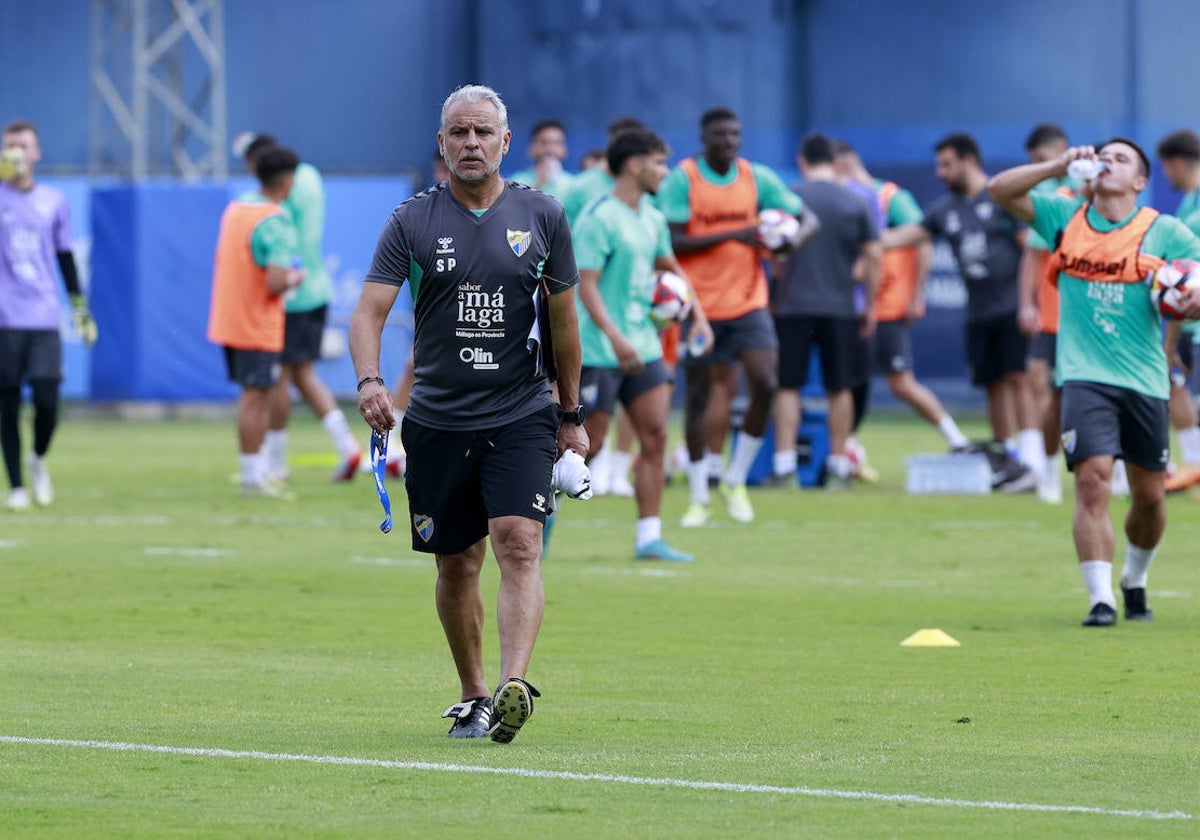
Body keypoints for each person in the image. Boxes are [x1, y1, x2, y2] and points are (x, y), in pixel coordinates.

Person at [349, 84, 587, 743]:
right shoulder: (412, 222)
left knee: (519, 538)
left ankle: (515, 683)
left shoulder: (543, 216)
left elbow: (566, 325)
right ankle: (475, 694)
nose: (472, 143)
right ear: (442, 144)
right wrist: (371, 382)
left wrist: (571, 415)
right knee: (456, 562)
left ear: (506, 143)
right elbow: (369, 312)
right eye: (459, 133)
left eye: (484, 132)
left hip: (521, 412)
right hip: (435, 421)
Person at [989, 138, 1200, 626]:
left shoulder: (1163, 229)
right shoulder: (1064, 216)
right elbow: (1000, 189)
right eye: (1103, 156)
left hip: (1145, 380)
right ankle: (1100, 598)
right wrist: (1058, 164)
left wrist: (1193, 302)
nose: (1108, 162)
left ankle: (1135, 579)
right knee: (1091, 482)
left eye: (1121, 159)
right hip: (1084, 376)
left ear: (1141, 182)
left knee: (1149, 498)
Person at [657, 106, 818, 526]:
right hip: (699, 309)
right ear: (704, 138)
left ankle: (735, 478)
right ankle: (698, 496)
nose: (729, 141)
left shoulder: (756, 177)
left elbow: (809, 219)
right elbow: (673, 241)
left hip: (749, 302)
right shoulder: (683, 179)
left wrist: (790, 243)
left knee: (765, 381)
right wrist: (736, 232)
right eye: (721, 135)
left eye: (735, 134)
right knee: (696, 396)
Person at [572, 126, 712, 560]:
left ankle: (648, 537)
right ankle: (539, 523)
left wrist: (699, 315)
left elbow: (669, 266)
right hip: (599, 349)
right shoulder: (598, 217)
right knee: (585, 449)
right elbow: (586, 287)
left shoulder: (650, 215)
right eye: (659, 163)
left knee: (654, 435)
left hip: (645, 346)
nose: (665, 173)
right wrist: (614, 338)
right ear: (635, 164)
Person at [885, 132, 1041, 490]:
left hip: (1012, 307)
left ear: (968, 161)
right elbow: (911, 235)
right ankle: (1010, 462)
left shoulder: (1003, 199)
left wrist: (1031, 302)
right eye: (938, 165)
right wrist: (867, 242)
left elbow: (1030, 250)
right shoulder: (945, 209)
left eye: (947, 164)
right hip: (978, 312)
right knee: (993, 385)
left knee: (1020, 379)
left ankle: (1035, 463)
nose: (940, 172)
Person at [232, 133, 363, 484]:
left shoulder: (275, 193)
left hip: (291, 294)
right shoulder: (311, 177)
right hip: (316, 288)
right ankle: (347, 445)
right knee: (303, 375)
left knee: (280, 379)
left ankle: (275, 463)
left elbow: (270, 228)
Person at [833, 141, 971, 455]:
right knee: (849, 383)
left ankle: (956, 438)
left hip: (888, 307)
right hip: (850, 308)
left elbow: (922, 241)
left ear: (842, 165)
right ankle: (844, 451)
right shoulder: (845, 200)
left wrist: (915, 295)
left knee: (900, 383)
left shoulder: (890, 198)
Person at [770, 133, 880, 488]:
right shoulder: (855, 201)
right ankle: (837, 466)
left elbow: (776, 255)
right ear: (836, 162)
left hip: (792, 305)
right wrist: (871, 304)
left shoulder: (790, 198)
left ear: (802, 161)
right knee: (839, 387)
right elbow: (874, 255)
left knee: (788, 386)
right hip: (841, 307)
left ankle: (785, 467)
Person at [0, 119, 97, 510]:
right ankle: (17, 485)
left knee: (46, 398)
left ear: (36, 153)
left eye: (22, 146)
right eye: (9, 146)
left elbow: (64, 257)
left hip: (42, 316)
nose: (16, 152)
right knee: (6, 401)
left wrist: (79, 307)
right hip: (4, 319)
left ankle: (38, 457)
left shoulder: (53, 201)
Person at [207, 146, 304, 498]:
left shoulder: (236, 209)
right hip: (256, 323)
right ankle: (252, 477)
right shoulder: (274, 221)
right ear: (288, 179)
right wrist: (297, 276)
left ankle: (258, 471)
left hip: (229, 318)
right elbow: (276, 281)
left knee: (253, 396)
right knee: (255, 398)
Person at [1018, 124, 1085, 504]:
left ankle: (1125, 472)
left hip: (1097, 320)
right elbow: (1031, 255)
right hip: (1054, 317)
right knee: (1052, 396)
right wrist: (1026, 303)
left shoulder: (1117, 203)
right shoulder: (1051, 197)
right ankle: (1047, 471)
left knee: (1116, 396)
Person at [1155, 129, 1200, 492]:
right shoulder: (1188, 204)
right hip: (1187, 324)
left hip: (1191, 324)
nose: (1165, 176)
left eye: (1165, 168)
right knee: (1175, 385)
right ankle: (1193, 464)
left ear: (1176, 163)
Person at [508, 118, 574, 203]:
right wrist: (539, 184)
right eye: (544, 143)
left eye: (556, 143)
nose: (550, 149)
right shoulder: (516, 182)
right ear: (531, 149)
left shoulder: (574, 184)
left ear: (565, 150)